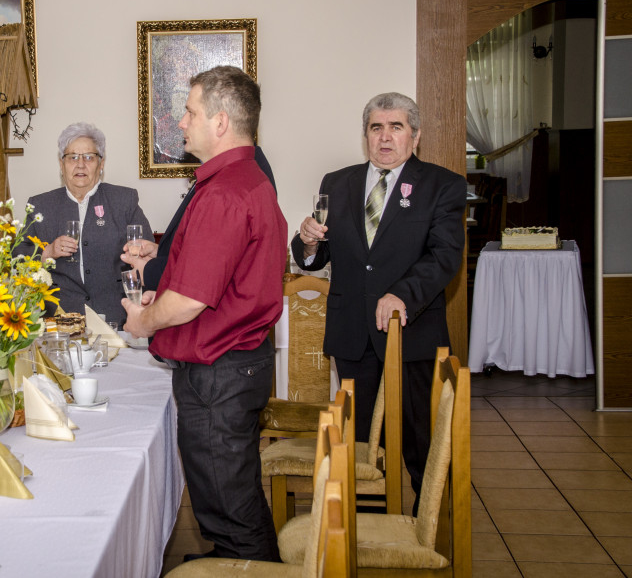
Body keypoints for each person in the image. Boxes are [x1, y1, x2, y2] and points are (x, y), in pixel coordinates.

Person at [123, 66, 287, 561]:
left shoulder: (226, 191)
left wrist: (142, 321)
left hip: (220, 374)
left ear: (219, 121)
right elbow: (212, 282)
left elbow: (192, 300)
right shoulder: (243, 179)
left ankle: (248, 569)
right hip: (235, 365)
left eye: (190, 112)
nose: (182, 122)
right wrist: (163, 294)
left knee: (229, 510)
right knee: (230, 499)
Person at [290, 92, 466, 503]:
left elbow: (444, 256)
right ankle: (367, 529)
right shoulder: (337, 182)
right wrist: (308, 244)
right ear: (366, 134)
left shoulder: (442, 185)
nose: (385, 138)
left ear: (415, 135)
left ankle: (429, 531)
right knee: (363, 448)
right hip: (353, 337)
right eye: (376, 128)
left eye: (396, 127)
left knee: (421, 444)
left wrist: (402, 294)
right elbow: (317, 258)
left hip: (412, 338)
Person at [15, 123, 150, 324]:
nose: (80, 164)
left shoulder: (124, 201)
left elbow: (148, 254)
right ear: (62, 165)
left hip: (117, 318)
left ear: (101, 163)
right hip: (59, 319)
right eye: (72, 157)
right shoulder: (40, 205)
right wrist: (48, 251)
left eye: (89, 157)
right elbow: (17, 259)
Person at [121, 146, 276, 291]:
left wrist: (148, 272)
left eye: (193, 115)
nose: (182, 123)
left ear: (220, 122)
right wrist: (160, 252)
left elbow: (204, 270)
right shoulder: (228, 169)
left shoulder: (235, 179)